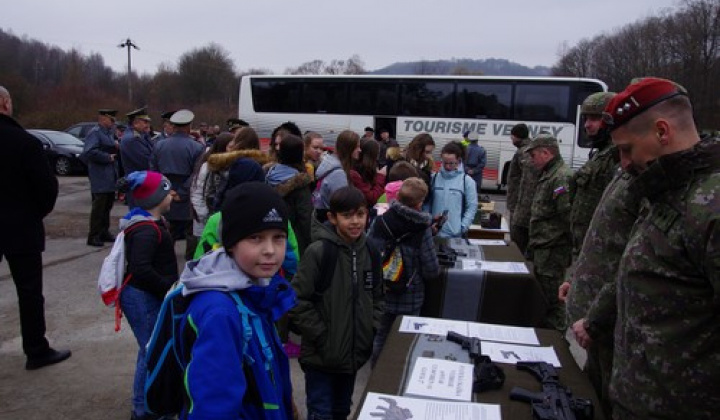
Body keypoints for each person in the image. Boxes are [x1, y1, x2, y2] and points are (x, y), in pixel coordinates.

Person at [599, 77, 720, 418]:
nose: (623, 163)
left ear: (662, 132)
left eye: (627, 149)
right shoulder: (665, 190)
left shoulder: (708, 206)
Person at [177, 182, 296, 419]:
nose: (270, 250)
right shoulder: (220, 313)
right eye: (255, 238)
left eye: (279, 237)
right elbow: (213, 407)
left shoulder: (256, 289)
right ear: (231, 243)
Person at [291, 186, 384, 420]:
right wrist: (322, 336)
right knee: (321, 412)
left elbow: (378, 296)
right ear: (332, 218)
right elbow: (297, 300)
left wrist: (369, 329)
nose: (355, 222)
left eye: (360, 214)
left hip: (352, 356)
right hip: (321, 359)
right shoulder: (319, 252)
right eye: (347, 215)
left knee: (342, 409)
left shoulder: (370, 251)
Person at [0, 85, 71, 370]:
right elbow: (46, 188)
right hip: (21, 227)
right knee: (29, 292)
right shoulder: (24, 142)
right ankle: (36, 350)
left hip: (21, 223)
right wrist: (32, 214)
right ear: (5, 104)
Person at [116, 171, 177, 420]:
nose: (172, 196)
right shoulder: (146, 230)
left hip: (146, 295)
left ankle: (148, 404)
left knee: (151, 349)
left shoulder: (150, 223)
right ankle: (142, 409)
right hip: (142, 297)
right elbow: (141, 269)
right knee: (150, 350)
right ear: (156, 197)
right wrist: (168, 287)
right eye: (168, 192)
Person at [367, 177, 439, 365]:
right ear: (420, 202)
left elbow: (369, 250)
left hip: (383, 290)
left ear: (397, 196)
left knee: (381, 335)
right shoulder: (421, 228)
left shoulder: (381, 221)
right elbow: (431, 269)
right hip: (410, 293)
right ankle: (398, 375)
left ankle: (377, 373)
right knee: (405, 337)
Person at [526, 133, 573, 331]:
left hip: (553, 250)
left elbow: (568, 218)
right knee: (543, 296)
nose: (532, 159)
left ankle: (557, 341)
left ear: (546, 153)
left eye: (534, 155)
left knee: (553, 300)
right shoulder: (549, 174)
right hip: (543, 247)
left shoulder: (561, 177)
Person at [150, 109, 204, 260]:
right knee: (190, 231)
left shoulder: (159, 145)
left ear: (173, 126)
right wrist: (182, 192)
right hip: (186, 195)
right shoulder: (197, 147)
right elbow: (196, 174)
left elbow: (153, 171)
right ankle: (191, 261)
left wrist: (168, 190)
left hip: (164, 193)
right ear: (188, 127)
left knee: (166, 228)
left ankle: (163, 257)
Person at [266, 134, 313, 256]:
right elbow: (306, 219)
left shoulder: (268, 175)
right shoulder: (300, 184)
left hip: (268, 236)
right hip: (293, 243)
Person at [83, 109, 120, 247]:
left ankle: (104, 231)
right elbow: (89, 152)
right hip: (100, 174)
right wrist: (106, 157)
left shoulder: (109, 133)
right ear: (103, 119)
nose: (113, 122)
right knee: (99, 206)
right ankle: (94, 235)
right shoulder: (95, 133)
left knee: (107, 205)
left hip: (110, 174)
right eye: (111, 120)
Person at [427, 142, 478, 238]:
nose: (447, 166)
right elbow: (427, 204)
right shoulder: (433, 178)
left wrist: (463, 227)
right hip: (434, 233)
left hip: (455, 234)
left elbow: (472, 206)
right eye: (445, 162)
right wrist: (429, 224)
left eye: (451, 163)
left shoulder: (466, 181)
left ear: (459, 161)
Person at [189, 133, 233, 242]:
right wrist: (204, 216)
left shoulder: (232, 165)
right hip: (206, 218)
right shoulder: (207, 166)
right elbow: (197, 192)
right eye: (230, 146)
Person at [313, 130, 360, 222]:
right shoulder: (338, 175)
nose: (360, 150)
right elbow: (344, 206)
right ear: (349, 148)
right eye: (357, 147)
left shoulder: (329, 164)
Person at [506, 123, 537, 255]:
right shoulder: (529, 149)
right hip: (521, 203)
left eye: (512, 137)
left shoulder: (523, 152)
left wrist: (520, 207)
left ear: (516, 136)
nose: (511, 140)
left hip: (520, 205)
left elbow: (529, 181)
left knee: (518, 240)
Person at [120, 107, 154, 207]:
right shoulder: (132, 139)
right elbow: (146, 161)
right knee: (139, 215)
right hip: (138, 183)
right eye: (145, 122)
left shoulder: (142, 136)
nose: (148, 125)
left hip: (142, 182)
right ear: (135, 123)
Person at [350, 138, 386, 207]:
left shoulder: (354, 166)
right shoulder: (357, 174)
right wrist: (381, 176)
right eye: (377, 153)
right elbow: (371, 198)